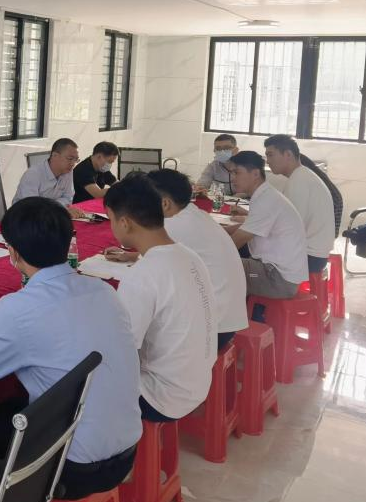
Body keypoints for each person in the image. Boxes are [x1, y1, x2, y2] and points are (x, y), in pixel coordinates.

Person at [0, 197, 142, 500]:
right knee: (8, 405)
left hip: (73, 466)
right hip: (127, 448)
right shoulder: (102, 290)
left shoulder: (19, 308)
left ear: (13, 252)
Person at [105, 175, 216, 422]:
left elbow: (122, 352)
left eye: (110, 219)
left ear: (124, 223)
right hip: (196, 383)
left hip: (161, 397)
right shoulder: (189, 255)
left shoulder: (143, 275)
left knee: (78, 377)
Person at [106, 170, 248, 351]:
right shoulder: (195, 215)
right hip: (224, 322)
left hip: (211, 331)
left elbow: (124, 343)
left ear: (165, 203)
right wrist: (129, 255)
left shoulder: (173, 225)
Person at [223, 151, 309, 299]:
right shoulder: (265, 195)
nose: (233, 178)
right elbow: (248, 227)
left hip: (277, 279)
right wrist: (220, 230)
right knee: (225, 261)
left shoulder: (266, 201)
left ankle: (229, 312)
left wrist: (206, 248)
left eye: (237, 173)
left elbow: (235, 242)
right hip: (276, 272)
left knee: (218, 265)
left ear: (255, 174)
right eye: (232, 173)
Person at [263, 135, 337, 273]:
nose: (268, 161)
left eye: (270, 155)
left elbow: (288, 228)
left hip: (308, 257)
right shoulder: (302, 176)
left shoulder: (299, 182)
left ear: (288, 154)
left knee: (243, 253)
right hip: (312, 255)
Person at [13, 137, 89, 219]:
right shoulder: (33, 174)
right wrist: (59, 208)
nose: (73, 163)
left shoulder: (68, 171)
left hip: (50, 215)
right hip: (24, 218)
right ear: (54, 155)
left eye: (76, 160)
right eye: (70, 159)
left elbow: (68, 197)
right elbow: (32, 206)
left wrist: (57, 208)